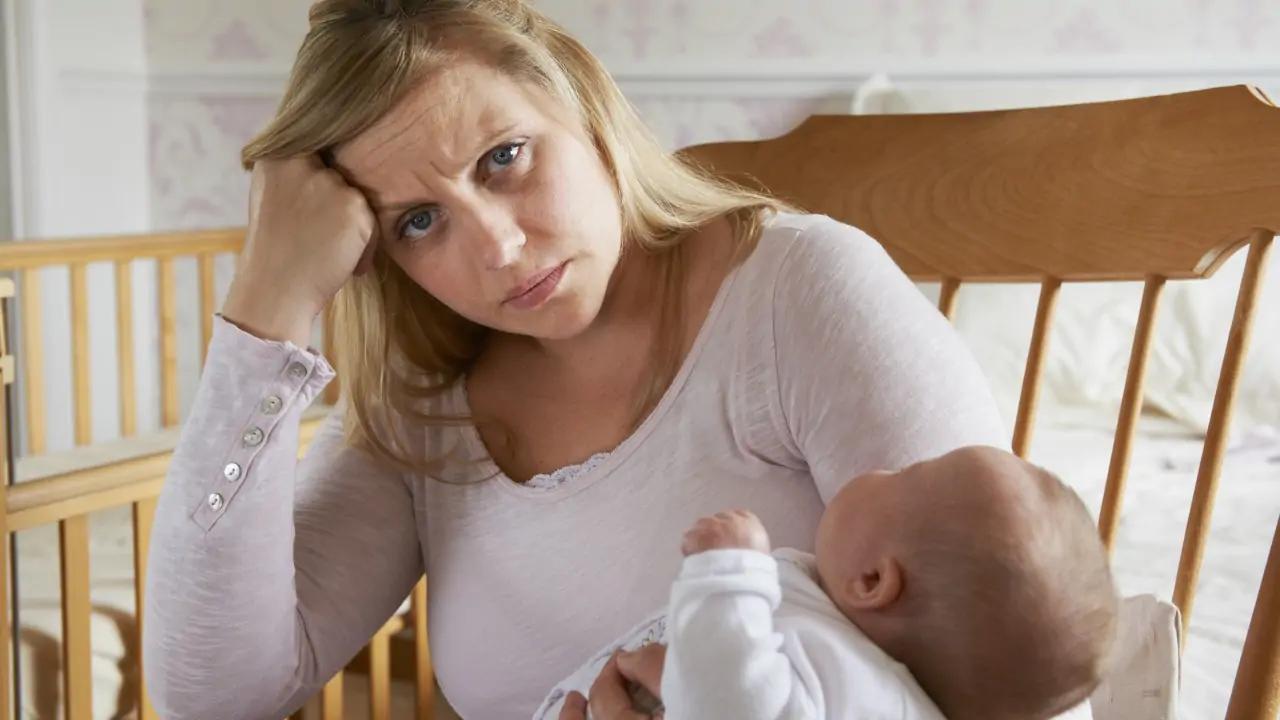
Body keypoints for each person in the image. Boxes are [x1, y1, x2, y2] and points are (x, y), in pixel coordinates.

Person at [140, 1, 1009, 719]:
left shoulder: (799, 292)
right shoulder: (421, 404)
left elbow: (1007, 667)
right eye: (417, 221)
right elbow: (210, 693)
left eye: (503, 158)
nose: (499, 247)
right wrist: (264, 311)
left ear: (582, 102)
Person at [540, 447, 1121, 720]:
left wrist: (728, 575)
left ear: (871, 580)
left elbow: (731, 708)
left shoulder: (848, 675)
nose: (884, 466)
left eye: (906, 475)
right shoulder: (852, 656)